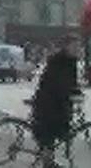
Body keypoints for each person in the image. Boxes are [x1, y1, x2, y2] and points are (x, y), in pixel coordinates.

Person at [31, 34, 83, 166]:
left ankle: (49, 158)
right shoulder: (57, 61)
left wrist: (76, 92)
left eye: (79, 46)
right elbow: (57, 83)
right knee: (49, 131)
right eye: (74, 46)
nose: (77, 49)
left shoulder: (72, 61)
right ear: (66, 47)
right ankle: (47, 160)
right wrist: (69, 94)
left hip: (60, 102)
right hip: (48, 102)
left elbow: (71, 82)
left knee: (60, 131)